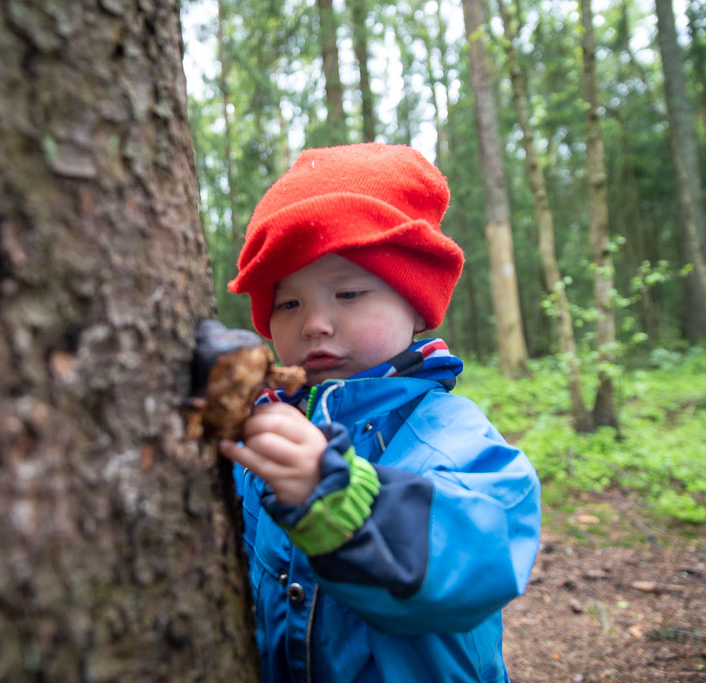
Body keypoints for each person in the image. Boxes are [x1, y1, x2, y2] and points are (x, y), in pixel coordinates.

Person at [218, 142, 541, 682]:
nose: (314, 323)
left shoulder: (445, 432)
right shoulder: (267, 430)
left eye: (348, 293)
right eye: (288, 303)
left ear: (414, 304)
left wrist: (336, 496)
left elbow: (485, 550)